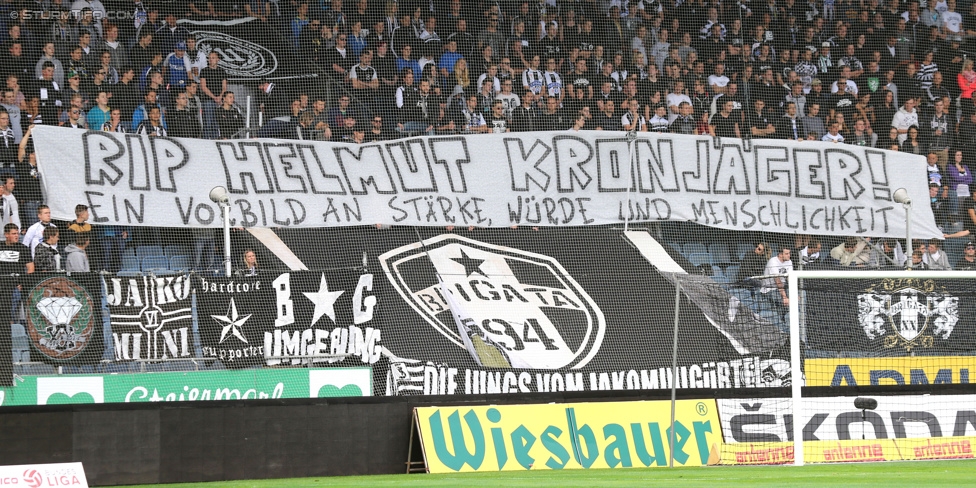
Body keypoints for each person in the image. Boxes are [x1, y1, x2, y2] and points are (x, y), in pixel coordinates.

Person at [0, 223, 32, 324]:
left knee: (11, 313)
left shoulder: (23, 249)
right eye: (13, 233)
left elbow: (30, 267)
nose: (16, 236)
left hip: (15, 286)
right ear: (6, 234)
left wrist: (24, 282)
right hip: (2, 285)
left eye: (17, 233)